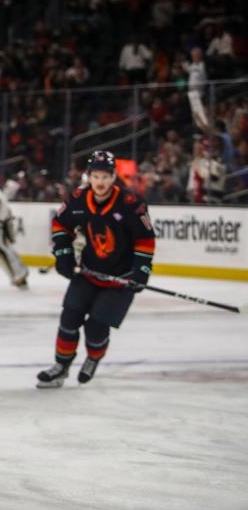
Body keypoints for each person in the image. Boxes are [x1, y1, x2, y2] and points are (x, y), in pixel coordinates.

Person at [37, 150, 156, 388]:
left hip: (119, 281)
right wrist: (63, 254)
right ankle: (61, 366)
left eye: (105, 176)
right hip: (89, 273)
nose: (100, 182)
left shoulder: (131, 204)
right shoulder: (79, 199)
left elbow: (145, 239)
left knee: (95, 328)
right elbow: (61, 224)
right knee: (69, 319)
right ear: (88, 176)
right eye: (96, 176)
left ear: (113, 178)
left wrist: (140, 271)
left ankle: (93, 357)